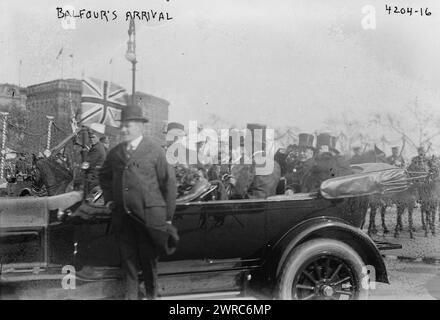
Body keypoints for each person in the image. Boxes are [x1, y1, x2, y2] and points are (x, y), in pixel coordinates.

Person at [99, 105, 177, 300]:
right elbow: (104, 175)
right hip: (123, 219)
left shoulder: (154, 150)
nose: (125, 129)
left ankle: (152, 296)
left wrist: (167, 218)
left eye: (129, 126)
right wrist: (109, 200)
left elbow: (169, 183)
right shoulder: (115, 152)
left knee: (149, 262)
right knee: (129, 264)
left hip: (148, 218)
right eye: (123, 126)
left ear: (141, 127)